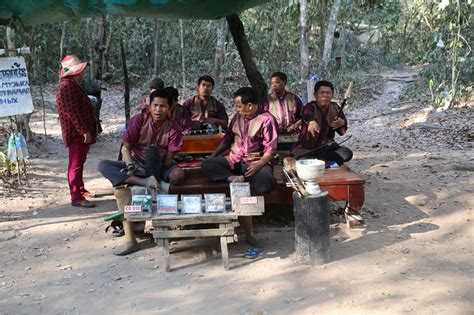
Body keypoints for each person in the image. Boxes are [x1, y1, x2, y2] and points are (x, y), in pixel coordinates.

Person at [98, 89, 185, 255]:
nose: (159, 110)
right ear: (149, 106)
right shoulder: (138, 120)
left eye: (163, 106)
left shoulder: (174, 128)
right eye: (155, 105)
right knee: (104, 165)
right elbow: (126, 147)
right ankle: (143, 183)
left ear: (170, 108)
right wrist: (131, 166)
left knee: (178, 175)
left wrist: (156, 168)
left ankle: (161, 221)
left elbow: (168, 159)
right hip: (137, 163)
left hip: (160, 165)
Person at [202, 87, 278, 246]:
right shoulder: (237, 117)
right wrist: (213, 156)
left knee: (264, 179)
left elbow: (270, 150)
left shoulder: (266, 119)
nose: (236, 109)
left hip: (255, 161)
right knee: (207, 165)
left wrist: (258, 165)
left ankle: (249, 232)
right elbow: (227, 139)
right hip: (234, 160)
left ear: (250, 105)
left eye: (238, 106)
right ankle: (235, 179)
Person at [56, 55, 97, 208]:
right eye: (82, 71)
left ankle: (80, 189)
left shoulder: (71, 85)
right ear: (76, 72)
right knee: (75, 164)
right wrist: (84, 131)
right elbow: (72, 112)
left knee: (79, 162)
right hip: (76, 134)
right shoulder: (67, 87)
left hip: (79, 132)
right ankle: (76, 197)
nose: (84, 73)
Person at [292, 80, 352, 164]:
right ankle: (320, 160)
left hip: (326, 147)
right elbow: (306, 114)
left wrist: (342, 123)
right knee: (301, 154)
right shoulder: (310, 106)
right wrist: (311, 122)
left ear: (332, 95)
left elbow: (342, 132)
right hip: (308, 149)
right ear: (315, 95)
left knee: (347, 153)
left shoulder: (335, 107)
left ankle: (318, 160)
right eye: (322, 93)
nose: (325, 96)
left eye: (328, 93)